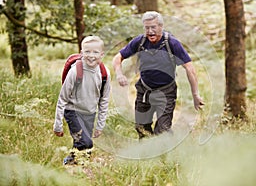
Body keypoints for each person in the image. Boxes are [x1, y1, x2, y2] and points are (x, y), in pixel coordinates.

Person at [112, 11, 204, 139]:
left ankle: (165, 155)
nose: (150, 31)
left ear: (161, 26)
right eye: (147, 28)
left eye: (153, 27)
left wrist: (195, 95)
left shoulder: (172, 43)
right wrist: (119, 74)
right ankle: (147, 155)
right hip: (144, 90)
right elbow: (118, 57)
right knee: (142, 129)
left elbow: (190, 69)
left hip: (166, 91)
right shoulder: (140, 41)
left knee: (162, 130)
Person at [53, 36, 111, 164]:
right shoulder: (75, 71)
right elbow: (62, 99)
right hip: (73, 111)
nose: (91, 55)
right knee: (86, 143)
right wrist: (58, 125)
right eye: (87, 51)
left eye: (95, 52)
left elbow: (104, 100)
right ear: (81, 53)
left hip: (90, 113)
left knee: (81, 146)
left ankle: (75, 165)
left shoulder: (104, 73)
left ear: (102, 54)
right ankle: (72, 163)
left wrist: (100, 125)